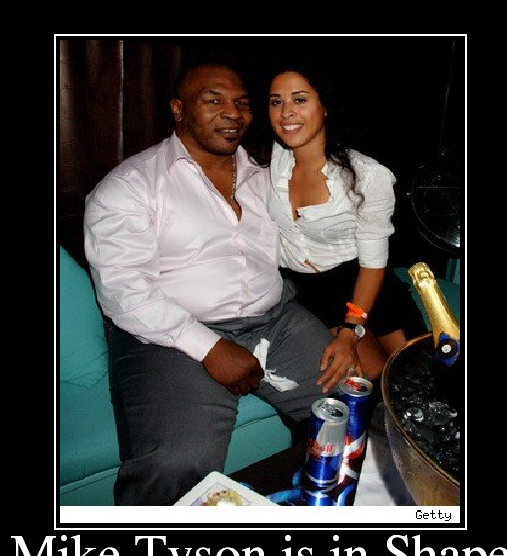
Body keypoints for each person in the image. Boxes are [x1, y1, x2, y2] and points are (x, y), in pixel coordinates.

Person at [83, 60, 341, 506]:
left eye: (242, 103)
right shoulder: (129, 187)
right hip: (170, 334)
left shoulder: (268, 178)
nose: (232, 113)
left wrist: (348, 322)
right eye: (213, 100)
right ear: (178, 109)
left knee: (354, 410)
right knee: (177, 463)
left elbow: (310, 252)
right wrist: (210, 347)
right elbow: (124, 291)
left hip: (277, 319)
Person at [247, 59, 427, 382]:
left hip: (365, 285)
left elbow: (372, 265)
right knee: (367, 384)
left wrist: (350, 331)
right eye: (276, 102)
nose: (286, 112)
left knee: (415, 378)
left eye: (299, 99)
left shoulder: (365, 176)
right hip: (309, 291)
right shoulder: (268, 160)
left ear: (325, 105)